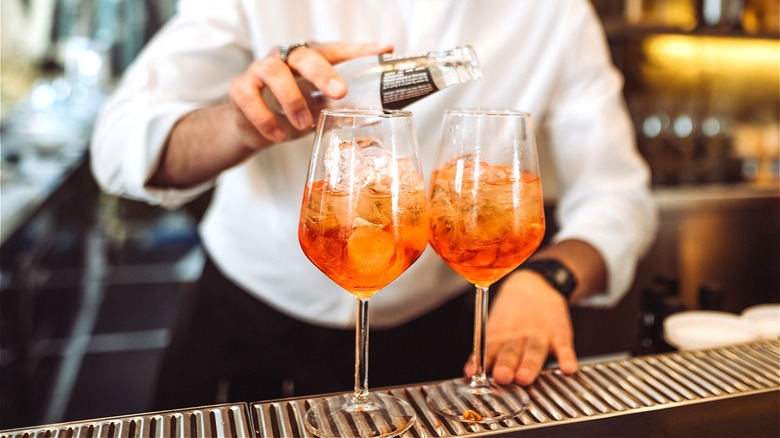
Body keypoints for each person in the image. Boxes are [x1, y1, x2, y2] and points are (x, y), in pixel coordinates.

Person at [91, 0, 657, 409]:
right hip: (249, 325)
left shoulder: (555, 15)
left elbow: (618, 194)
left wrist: (548, 278)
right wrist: (243, 125)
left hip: (432, 337)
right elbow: (119, 149)